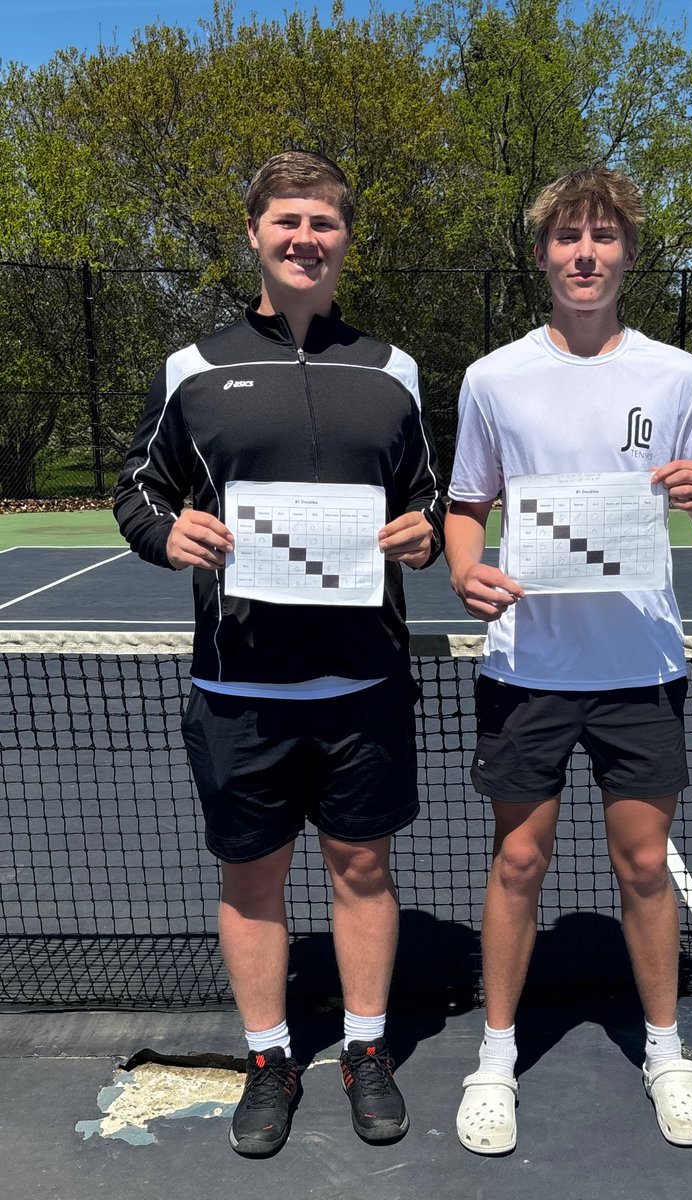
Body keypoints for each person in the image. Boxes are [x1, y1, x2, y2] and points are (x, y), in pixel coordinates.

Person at [114, 151, 445, 1157]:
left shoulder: (394, 372)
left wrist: (423, 531)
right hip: (238, 689)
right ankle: (268, 1059)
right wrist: (166, 535)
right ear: (254, 233)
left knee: (363, 867)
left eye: (324, 223)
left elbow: (430, 496)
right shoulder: (193, 369)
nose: (306, 238)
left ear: (347, 238)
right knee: (253, 879)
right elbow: (139, 489)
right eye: (287, 221)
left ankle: (366, 1048)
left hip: (366, 683)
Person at [445, 166, 692, 1155]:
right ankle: (494, 1058)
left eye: (603, 237)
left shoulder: (678, 375)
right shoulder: (492, 377)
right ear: (540, 254)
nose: (585, 252)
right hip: (526, 667)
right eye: (567, 236)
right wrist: (464, 573)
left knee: (644, 866)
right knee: (519, 861)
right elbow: (465, 503)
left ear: (627, 252)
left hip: (641, 667)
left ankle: (666, 1050)